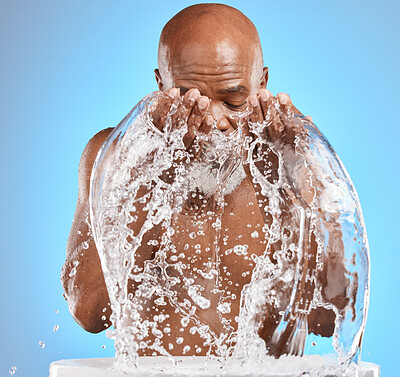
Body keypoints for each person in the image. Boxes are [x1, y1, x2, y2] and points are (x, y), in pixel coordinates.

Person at [61, 3, 346, 356]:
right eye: (189, 98)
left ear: (262, 84)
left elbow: (330, 319)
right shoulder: (113, 157)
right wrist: (158, 177)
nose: (213, 120)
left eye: (233, 101)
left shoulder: (297, 159)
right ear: (160, 84)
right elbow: (88, 311)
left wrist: (289, 183)